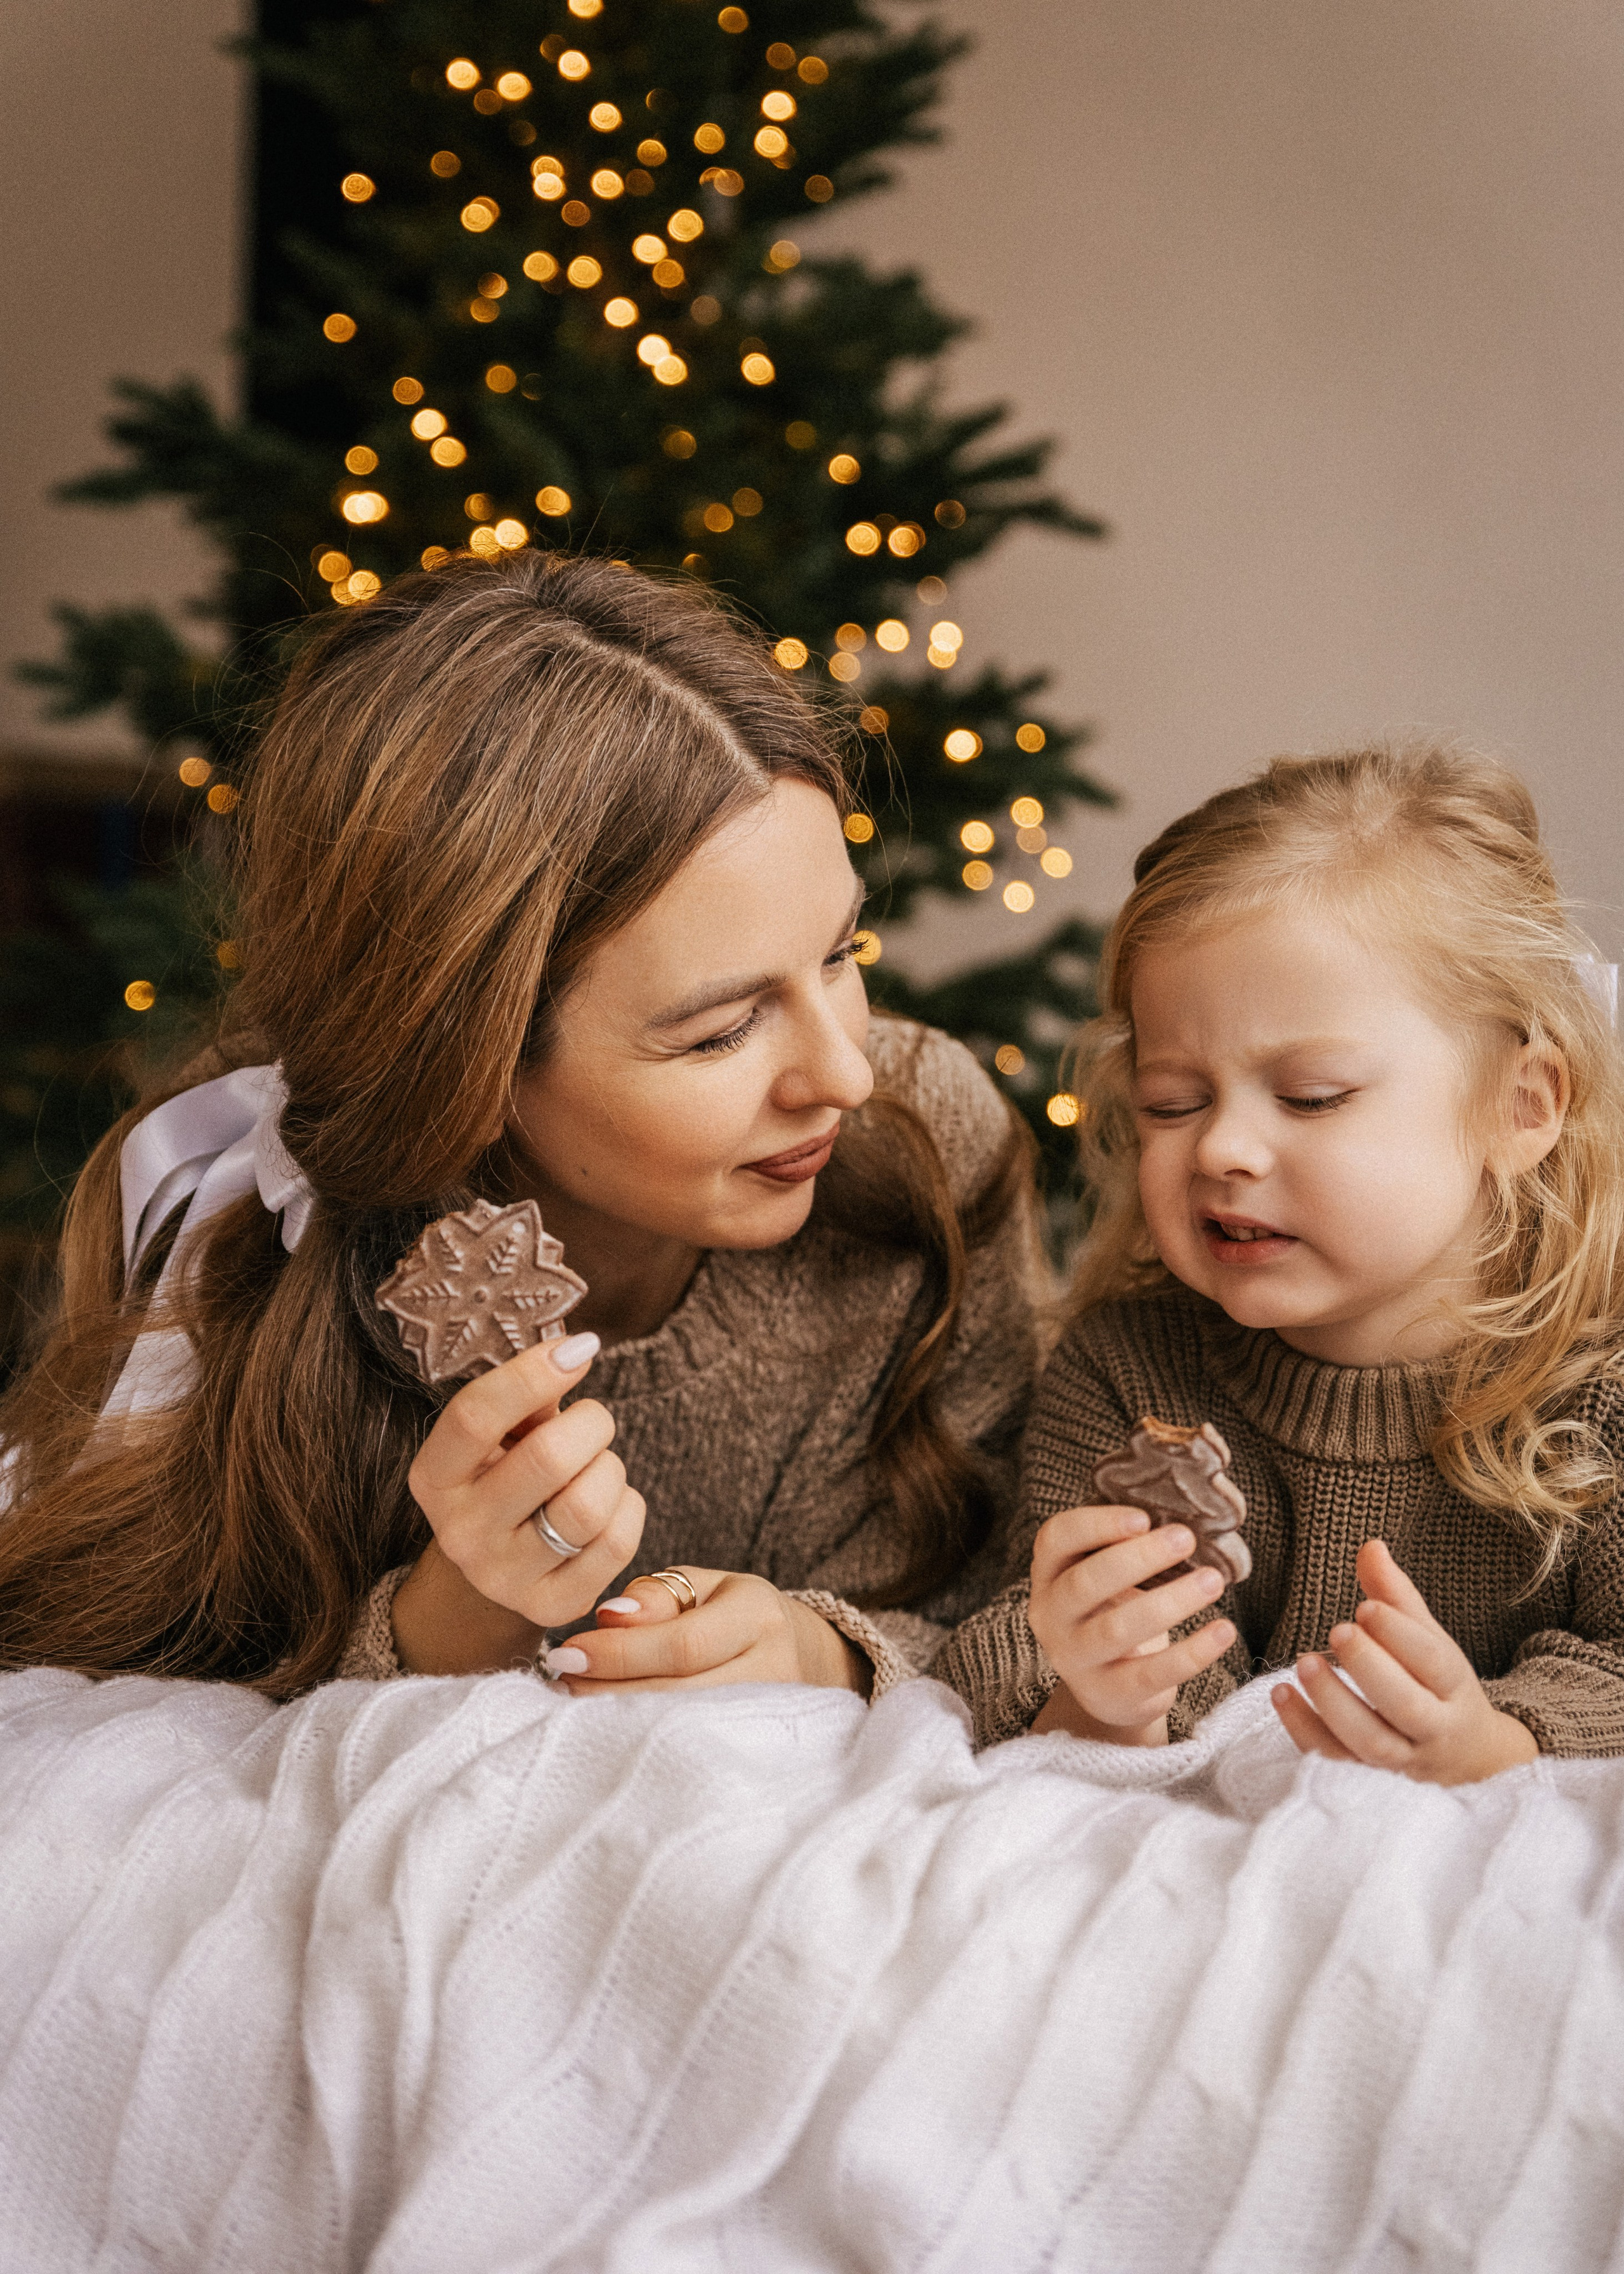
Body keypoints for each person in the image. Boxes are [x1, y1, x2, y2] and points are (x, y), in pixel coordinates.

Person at [0, 553, 1043, 1701]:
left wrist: (833, 1656)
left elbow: (1028, 1622)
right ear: (473, 1059)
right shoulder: (249, 1224)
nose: (844, 1072)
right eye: (721, 1033)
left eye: (843, 953)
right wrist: (444, 1629)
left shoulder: (924, 1144)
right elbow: (114, 1704)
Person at [937, 742, 1624, 1779]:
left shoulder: (1601, 1391)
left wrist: (1501, 1739)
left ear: (1520, 1108)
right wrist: (1102, 1692)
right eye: (1175, 1102)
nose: (1219, 1148)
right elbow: (1012, 1640)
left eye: (1310, 1096)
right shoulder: (1130, 1374)